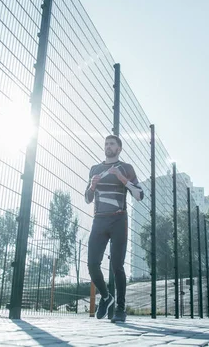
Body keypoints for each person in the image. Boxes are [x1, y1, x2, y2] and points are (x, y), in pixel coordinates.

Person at [85, 135, 144, 323]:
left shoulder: (126, 168)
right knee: (92, 264)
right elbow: (87, 198)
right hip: (99, 221)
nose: (108, 146)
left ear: (119, 148)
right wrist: (93, 186)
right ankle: (106, 296)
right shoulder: (95, 169)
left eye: (112, 144)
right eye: (106, 144)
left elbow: (140, 195)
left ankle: (120, 309)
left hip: (119, 220)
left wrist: (122, 179)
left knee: (117, 265)